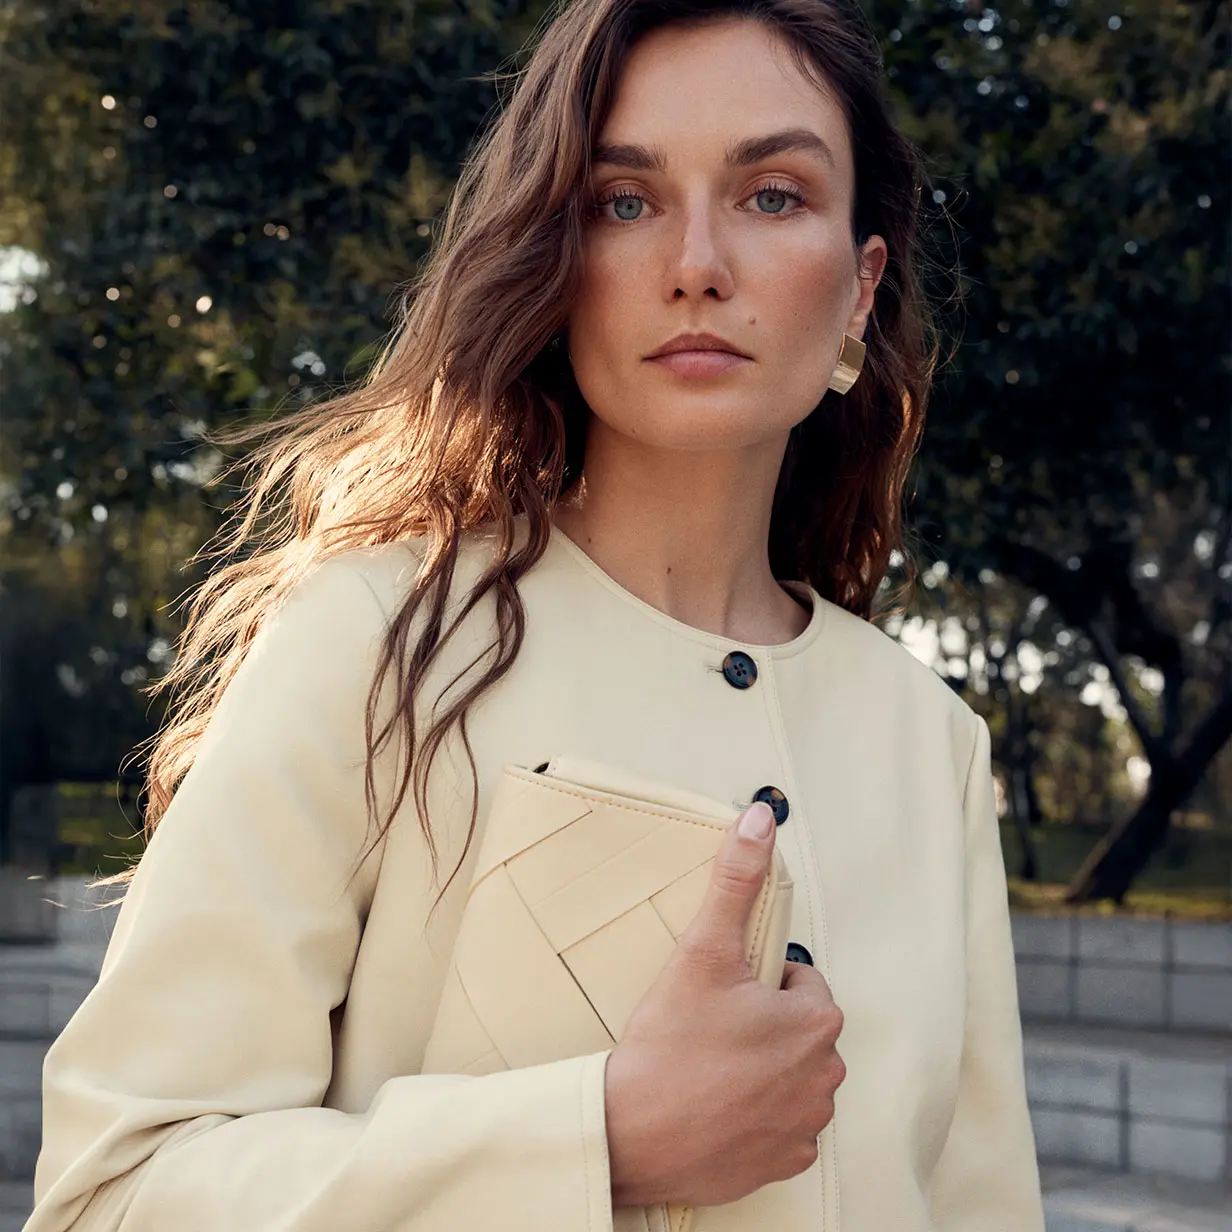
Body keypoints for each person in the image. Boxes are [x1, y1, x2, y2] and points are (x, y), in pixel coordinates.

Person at [25, 1, 1046, 1229]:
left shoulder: (929, 740)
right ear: (557, 265)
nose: (697, 261)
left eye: (772, 193)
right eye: (624, 200)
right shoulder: (373, 640)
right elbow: (112, 1190)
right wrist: (597, 1139)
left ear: (859, 286)